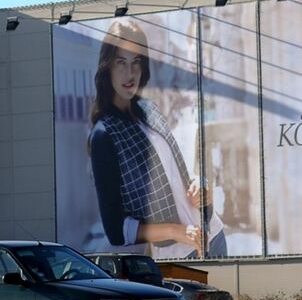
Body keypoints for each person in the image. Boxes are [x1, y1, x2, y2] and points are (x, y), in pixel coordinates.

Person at [87, 20, 226, 259]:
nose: (130, 74)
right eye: (121, 63)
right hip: (179, 255)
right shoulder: (104, 135)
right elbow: (116, 230)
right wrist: (177, 231)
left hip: (213, 234)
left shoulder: (150, 109)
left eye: (136, 63)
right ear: (107, 66)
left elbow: (175, 176)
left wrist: (199, 186)